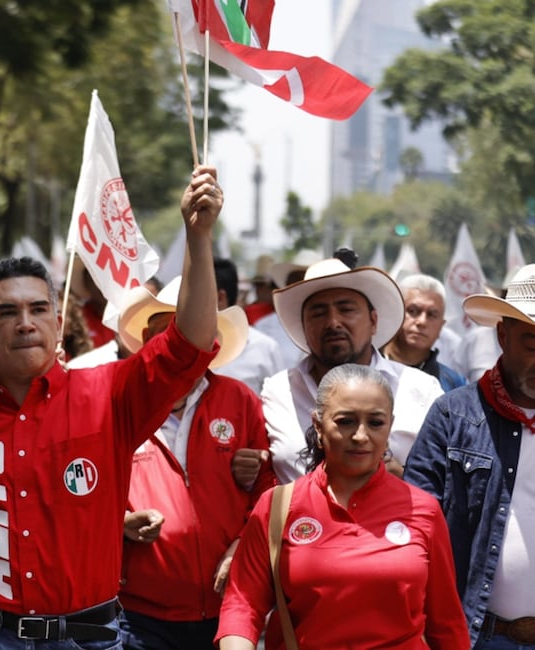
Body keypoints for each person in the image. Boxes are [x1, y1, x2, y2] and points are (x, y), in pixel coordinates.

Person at [0, 165, 223, 648]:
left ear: (57, 320)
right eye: (6, 312)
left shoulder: (110, 394)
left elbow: (190, 343)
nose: (25, 323)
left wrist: (198, 238)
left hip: (88, 634)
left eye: (37, 309)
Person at [216, 364, 468, 649]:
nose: (361, 436)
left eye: (375, 422)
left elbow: (447, 624)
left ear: (390, 425)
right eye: (346, 421)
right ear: (317, 425)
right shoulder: (278, 507)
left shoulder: (424, 510)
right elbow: (242, 604)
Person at [115, 278, 275, 650]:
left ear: (209, 342)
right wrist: (119, 524)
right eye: (166, 333)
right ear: (146, 340)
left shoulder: (240, 400)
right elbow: (83, 491)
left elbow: (268, 491)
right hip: (138, 617)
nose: (177, 345)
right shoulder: (120, 403)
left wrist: (242, 546)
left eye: (187, 333)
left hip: (230, 611)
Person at [404, 263, 535, 648]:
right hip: (476, 636)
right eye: (533, 343)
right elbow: (416, 527)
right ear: (502, 336)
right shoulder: (453, 415)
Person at [261, 257, 442, 482]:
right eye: (319, 313)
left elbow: (444, 484)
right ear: (304, 327)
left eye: (346, 310)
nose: (333, 322)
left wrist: (402, 480)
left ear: (373, 321)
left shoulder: (422, 390)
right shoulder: (277, 392)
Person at [381, 274, 467, 392]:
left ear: (441, 326)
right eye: (413, 311)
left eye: (432, 315)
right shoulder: (366, 362)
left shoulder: (453, 385)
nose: (422, 322)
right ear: (395, 312)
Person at [212, 258, 284, 394]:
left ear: (220, 297)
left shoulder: (264, 348)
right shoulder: (183, 348)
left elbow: (278, 406)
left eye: (194, 294)